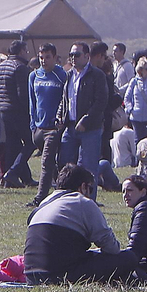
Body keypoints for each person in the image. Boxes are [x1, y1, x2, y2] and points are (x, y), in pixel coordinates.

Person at [24, 165, 134, 284]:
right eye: (91, 189)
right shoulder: (83, 202)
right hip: (60, 276)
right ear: (83, 186)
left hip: (31, 276)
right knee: (128, 258)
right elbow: (112, 248)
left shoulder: (44, 203)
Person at [57, 43, 108, 198]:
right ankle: (67, 197)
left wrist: (86, 120)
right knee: (64, 162)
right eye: (71, 55)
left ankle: (88, 201)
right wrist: (60, 116)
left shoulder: (97, 75)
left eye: (77, 55)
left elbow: (101, 102)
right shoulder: (69, 74)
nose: (73, 58)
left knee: (88, 167)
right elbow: (65, 100)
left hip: (90, 128)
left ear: (87, 56)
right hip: (70, 127)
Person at [27, 43, 68, 206]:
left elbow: (66, 100)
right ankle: (64, 188)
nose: (44, 61)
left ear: (55, 57)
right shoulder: (34, 76)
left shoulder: (61, 75)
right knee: (53, 165)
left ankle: (40, 198)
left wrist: (61, 121)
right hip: (39, 127)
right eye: (41, 57)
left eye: (47, 57)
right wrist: (33, 125)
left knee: (46, 162)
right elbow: (32, 102)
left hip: (54, 127)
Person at [0, 39, 34, 187]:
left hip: (4, 111)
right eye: (26, 51)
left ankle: (16, 179)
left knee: (13, 145)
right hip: (18, 111)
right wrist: (29, 111)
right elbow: (23, 94)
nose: (27, 54)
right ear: (21, 51)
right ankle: (13, 173)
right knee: (31, 142)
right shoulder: (21, 67)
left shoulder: (1, 66)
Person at [123, 57, 147, 139]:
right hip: (136, 117)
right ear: (140, 70)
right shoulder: (134, 81)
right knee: (137, 140)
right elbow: (127, 98)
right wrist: (130, 109)